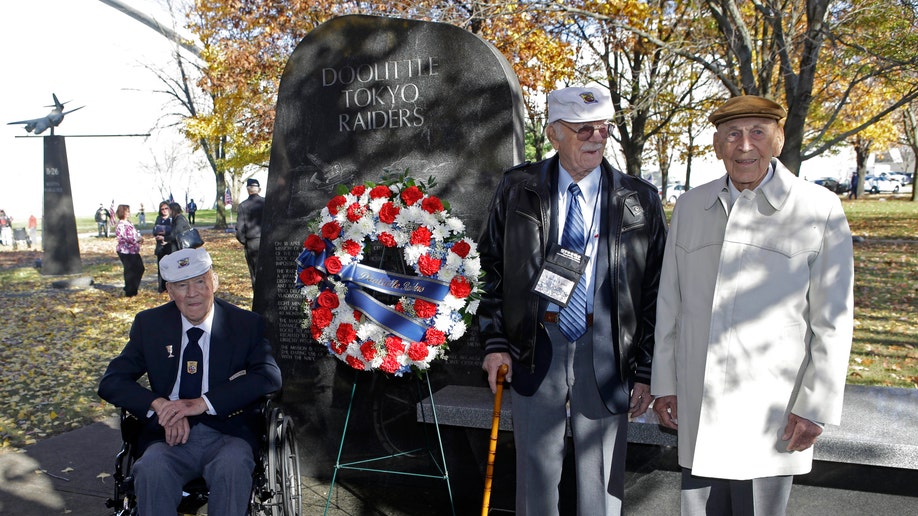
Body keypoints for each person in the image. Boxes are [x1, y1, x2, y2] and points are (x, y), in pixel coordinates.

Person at [651, 96, 854, 515]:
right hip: (698, 401)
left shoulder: (819, 209)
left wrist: (815, 406)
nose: (745, 145)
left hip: (772, 412)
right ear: (717, 144)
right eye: (732, 134)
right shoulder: (690, 206)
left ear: (777, 141)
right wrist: (664, 384)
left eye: (757, 132)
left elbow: (833, 320)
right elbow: (670, 303)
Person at [478, 86, 667, 515]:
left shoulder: (640, 198)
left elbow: (656, 288)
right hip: (534, 345)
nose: (596, 137)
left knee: (601, 486)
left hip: (609, 349)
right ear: (553, 134)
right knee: (534, 478)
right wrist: (494, 343)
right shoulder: (517, 188)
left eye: (603, 128)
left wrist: (645, 367)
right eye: (583, 129)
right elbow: (488, 267)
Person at [97, 247, 282, 516]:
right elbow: (112, 381)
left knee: (232, 467)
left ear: (214, 282)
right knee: (151, 469)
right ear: (170, 292)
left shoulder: (245, 324)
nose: (192, 293)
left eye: (199, 281)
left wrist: (202, 403)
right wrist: (159, 405)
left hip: (228, 432)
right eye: (181, 286)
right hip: (167, 436)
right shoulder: (150, 325)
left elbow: (269, 376)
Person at [235, 178, 264, 290]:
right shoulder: (267, 203)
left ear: (248, 190)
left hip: (252, 243)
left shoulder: (243, 205)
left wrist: (245, 241)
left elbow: (240, 229)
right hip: (266, 242)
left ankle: (258, 301)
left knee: (255, 275)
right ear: (259, 189)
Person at [114, 204, 145, 297]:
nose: (129, 213)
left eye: (128, 211)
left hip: (133, 250)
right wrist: (137, 239)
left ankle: (133, 288)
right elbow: (127, 238)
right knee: (130, 271)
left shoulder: (129, 223)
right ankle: (129, 291)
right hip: (125, 251)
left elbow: (134, 234)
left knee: (140, 268)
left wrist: (139, 238)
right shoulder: (121, 224)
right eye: (127, 211)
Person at [153, 201, 174, 293]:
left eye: (166, 208)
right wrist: (164, 231)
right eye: (162, 209)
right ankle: (161, 288)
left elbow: (173, 232)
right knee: (161, 268)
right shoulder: (158, 218)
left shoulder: (172, 219)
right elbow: (155, 231)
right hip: (160, 247)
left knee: (171, 267)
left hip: (170, 247)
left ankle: (171, 287)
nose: (164, 210)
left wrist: (163, 232)